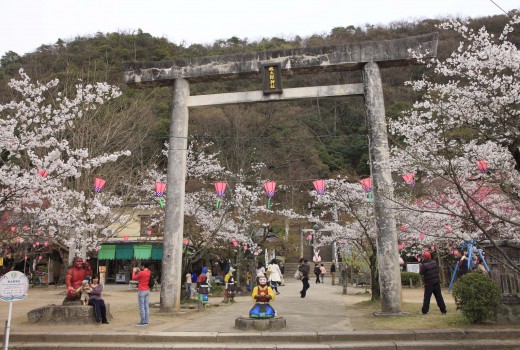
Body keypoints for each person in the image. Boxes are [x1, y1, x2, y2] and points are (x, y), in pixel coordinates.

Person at [419, 251, 447, 315]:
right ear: (430, 256)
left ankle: (424, 311)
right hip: (436, 283)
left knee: (427, 298)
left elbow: (421, 273)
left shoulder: (424, 265)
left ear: (424, 257)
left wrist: (421, 265)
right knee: (439, 297)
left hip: (428, 284)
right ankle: (443, 310)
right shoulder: (434, 263)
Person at [132, 262, 151, 326]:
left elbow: (134, 278)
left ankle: (143, 321)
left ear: (143, 266)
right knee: (146, 306)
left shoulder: (141, 273)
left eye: (141, 266)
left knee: (142, 306)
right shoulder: (149, 272)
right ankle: (146, 321)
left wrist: (134, 271)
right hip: (147, 290)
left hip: (141, 290)